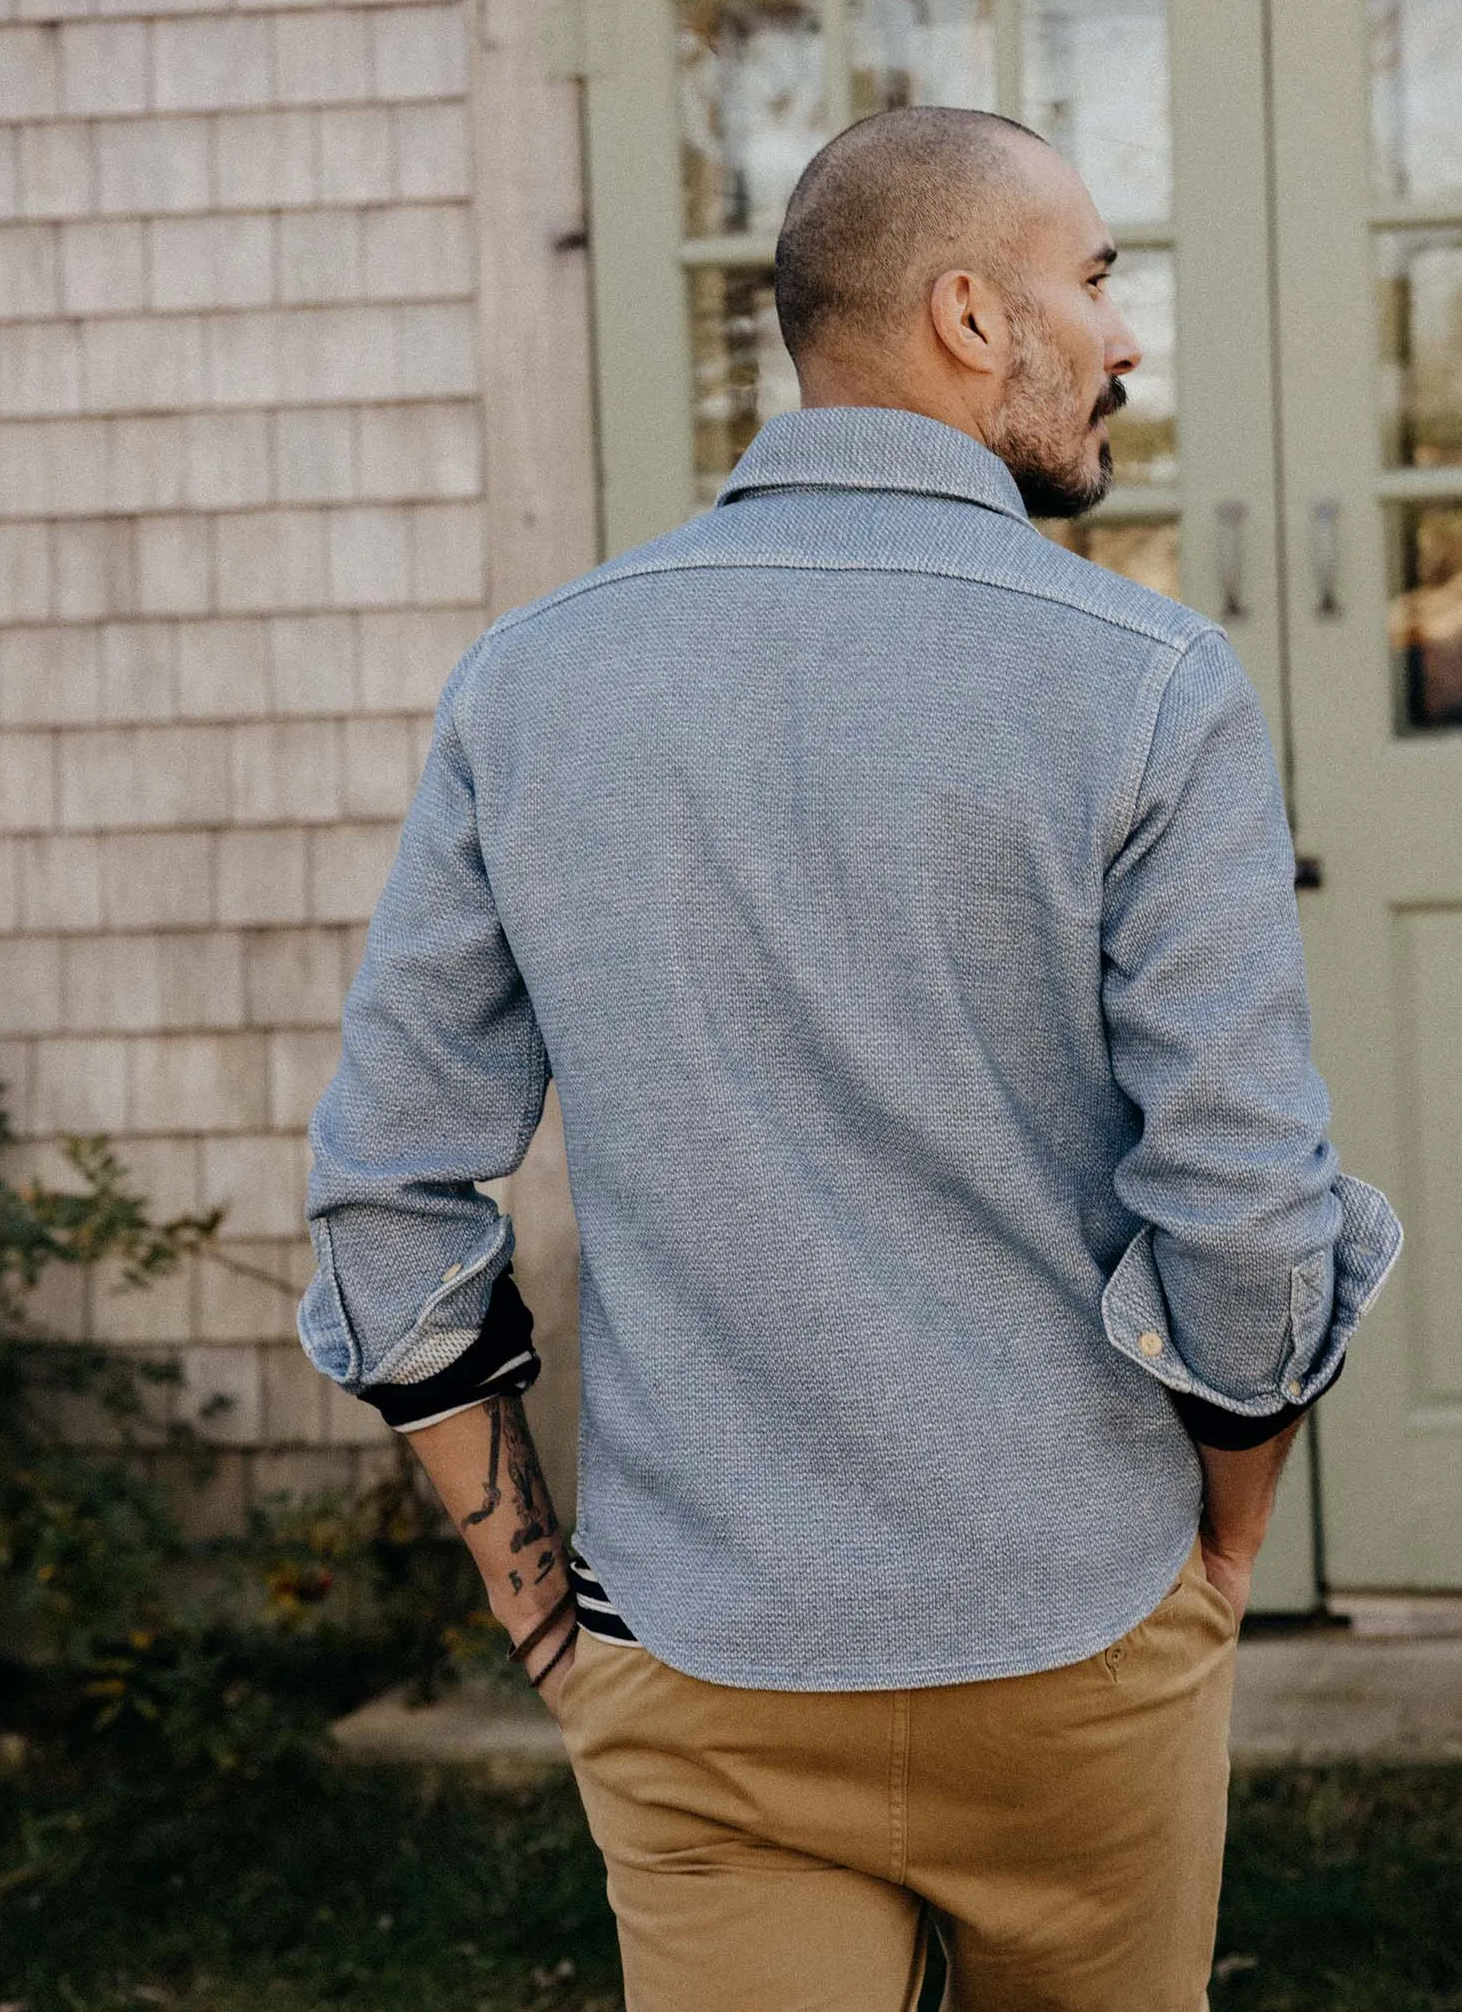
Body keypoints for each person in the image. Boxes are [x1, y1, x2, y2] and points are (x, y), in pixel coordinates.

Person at [298, 106, 1400, 2012]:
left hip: (698, 1658)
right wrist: (1217, 1558)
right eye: (1098, 280)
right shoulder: (1145, 685)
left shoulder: (535, 684)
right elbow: (1241, 1207)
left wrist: (551, 1630)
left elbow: (390, 1196)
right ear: (972, 315)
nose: (1124, 338)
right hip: (1075, 1639)